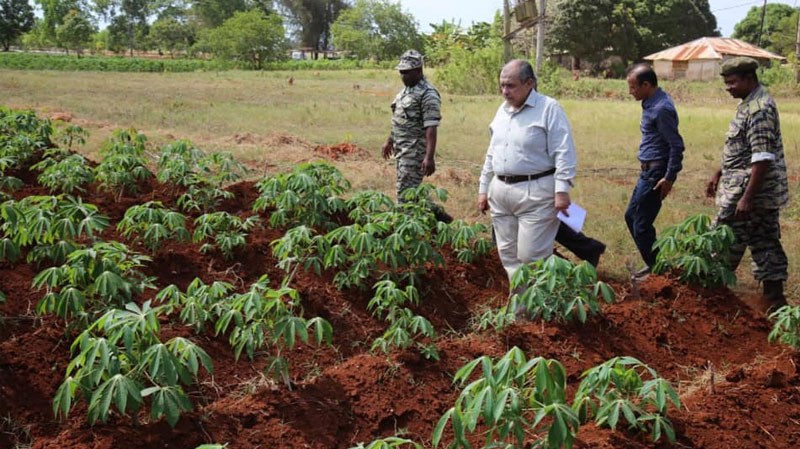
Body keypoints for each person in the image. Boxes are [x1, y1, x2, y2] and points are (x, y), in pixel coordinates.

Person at [477, 59, 577, 282]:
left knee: (532, 256)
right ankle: (522, 310)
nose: (505, 91)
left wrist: (561, 190)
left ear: (529, 83)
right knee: (509, 255)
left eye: (511, 86)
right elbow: (492, 152)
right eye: (502, 85)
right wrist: (484, 189)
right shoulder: (502, 111)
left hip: (536, 192)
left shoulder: (549, 109)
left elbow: (564, 151)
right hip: (501, 191)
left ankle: (538, 306)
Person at [705, 57, 789, 308]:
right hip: (753, 192)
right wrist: (718, 173)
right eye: (726, 83)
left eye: (732, 82)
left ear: (749, 78)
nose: (728, 87)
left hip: (749, 193)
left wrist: (747, 198)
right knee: (765, 243)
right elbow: (743, 148)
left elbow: (762, 158)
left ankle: (711, 299)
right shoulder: (748, 103)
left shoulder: (759, 109)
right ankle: (774, 301)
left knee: (722, 241)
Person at [625, 64, 685, 279]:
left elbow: (676, 145)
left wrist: (668, 178)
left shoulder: (661, 109)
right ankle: (655, 265)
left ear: (646, 85)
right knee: (631, 216)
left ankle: (659, 270)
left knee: (640, 223)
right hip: (648, 171)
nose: (630, 92)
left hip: (655, 174)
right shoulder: (651, 102)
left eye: (633, 87)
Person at [381, 50, 451, 222]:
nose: (403, 76)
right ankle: (441, 218)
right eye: (401, 72)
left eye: (407, 72)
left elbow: (431, 127)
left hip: (414, 153)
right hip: (401, 150)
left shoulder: (428, 94)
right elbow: (399, 120)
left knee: (405, 194)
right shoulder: (405, 92)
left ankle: (407, 228)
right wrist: (389, 141)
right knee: (413, 191)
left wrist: (429, 157)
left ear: (419, 70)